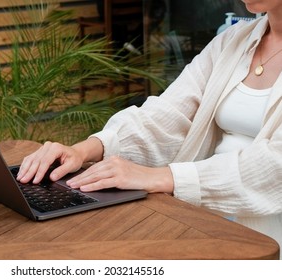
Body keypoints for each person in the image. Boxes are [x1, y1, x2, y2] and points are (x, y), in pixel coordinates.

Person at [17, 0, 282, 257]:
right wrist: (86, 149)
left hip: (268, 238)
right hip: (212, 220)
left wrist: (164, 178)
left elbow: (275, 165)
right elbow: (169, 113)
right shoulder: (234, 41)